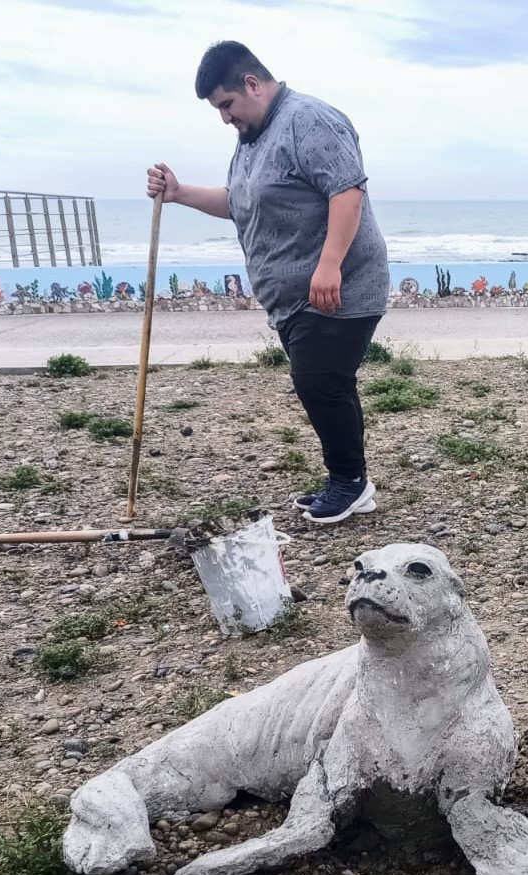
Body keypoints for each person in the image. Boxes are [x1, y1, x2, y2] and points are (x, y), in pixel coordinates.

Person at [148, 40, 389, 524]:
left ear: (252, 84)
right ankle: (347, 477)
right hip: (293, 296)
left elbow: (347, 192)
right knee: (325, 385)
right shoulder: (253, 139)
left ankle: (351, 483)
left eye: (226, 105)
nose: (225, 118)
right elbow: (240, 202)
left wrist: (329, 265)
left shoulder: (308, 119)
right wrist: (179, 194)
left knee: (320, 382)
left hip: (340, 286)